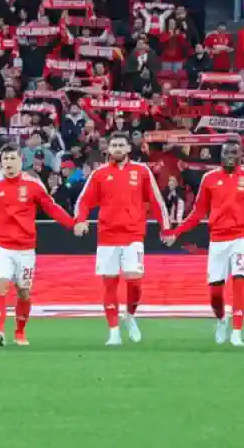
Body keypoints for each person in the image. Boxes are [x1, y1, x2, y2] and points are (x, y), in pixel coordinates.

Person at [161, 139, 244, 347]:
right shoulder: (209, 179)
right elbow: (197, 213)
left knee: (239, 283)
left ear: (241, 155)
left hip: (241, 237)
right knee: (215, 291)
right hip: (218, 239)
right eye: (226, 152)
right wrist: (176, 232)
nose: (230, 155)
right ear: (221, 155)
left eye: (234, 151)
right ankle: (222, 319)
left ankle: (237, 333)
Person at [0, 144, 77, 346]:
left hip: (25, 249)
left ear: (21, 161)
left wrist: (72, 224)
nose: (8, 163)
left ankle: (20, 332)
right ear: (1, 163)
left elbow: (52, 208)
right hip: (1, 248)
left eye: (12, 159)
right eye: (5, 160)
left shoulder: (33, 186)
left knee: (23, 292)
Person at [73, 131, 171, 346]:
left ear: (128, 148)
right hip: (107, 236)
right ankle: (114, 331)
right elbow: (84, 201)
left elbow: (156, 201)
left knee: (134, 279)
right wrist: (80, 220)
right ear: (108, 149)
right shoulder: (99, 174)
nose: (117, 149)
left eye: (121, 145)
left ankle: (130, 315)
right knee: (109, 284)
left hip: (133, 234)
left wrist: (166, 228)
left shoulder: (141, 171)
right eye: (113, 145)